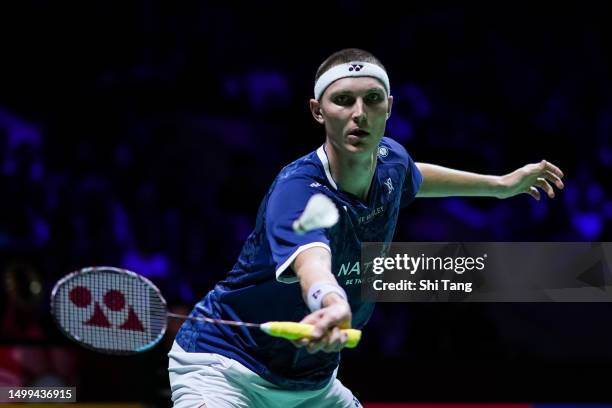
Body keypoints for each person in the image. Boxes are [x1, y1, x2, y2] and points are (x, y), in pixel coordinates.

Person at [168, 48, 564, 408]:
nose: (360, 112)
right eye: (343, 100)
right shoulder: (297, 193)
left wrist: (498, 186)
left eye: (372, 100)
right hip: (225, 367)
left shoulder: (392, 159)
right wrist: (332, 302)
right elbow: (312, 261)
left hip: (312, 386)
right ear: (317, 111)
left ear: (388, 107)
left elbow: (414, 177)